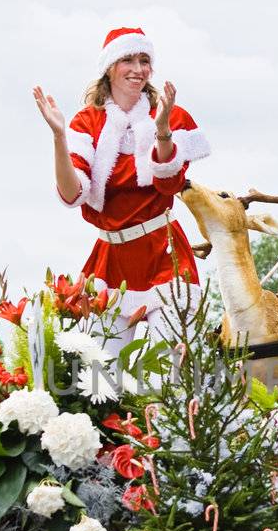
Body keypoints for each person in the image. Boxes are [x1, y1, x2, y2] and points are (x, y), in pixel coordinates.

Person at [32, 27, 210, 331]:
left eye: (144, 60)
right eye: (128, 59)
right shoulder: (87, 122)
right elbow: (72, 194)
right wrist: (59, 137)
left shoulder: (171, 114)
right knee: (102, 371)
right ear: (110, 68)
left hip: (163, 256)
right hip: (110, 261)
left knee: (166, 371)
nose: (138, 69)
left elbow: (169, 183)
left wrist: (163, 129)